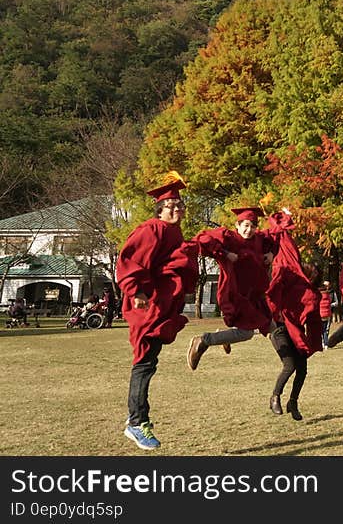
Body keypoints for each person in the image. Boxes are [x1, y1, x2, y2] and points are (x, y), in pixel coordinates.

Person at [116, 173, 198, 450]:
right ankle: (137, 422)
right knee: (144, 364)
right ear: (159, 209)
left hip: (161, 306)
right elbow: (129, 259)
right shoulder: (152, 229)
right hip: (147, 306)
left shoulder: (174, 232)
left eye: (179, 205)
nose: (176, 210)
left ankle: (137, 420)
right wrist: (135, 290)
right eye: (170, 206)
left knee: (148, 363)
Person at [187, 206, 274, 370]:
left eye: (253, 226)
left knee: (272, 326)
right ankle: (204, 340)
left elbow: (274, 238)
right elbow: (203, 238)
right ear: (238, 225)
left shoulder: (258, 240)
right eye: (246, 225)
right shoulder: (230, 238)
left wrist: (271, 253)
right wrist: (225, 253)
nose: (249, 230)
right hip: (235, 294)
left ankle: (291, 361)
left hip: (254, 295)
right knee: (246, 333)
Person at [264, 209, 324, 420]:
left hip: (295, 331)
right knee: (290, 365)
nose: (303, 266)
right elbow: (287, 253)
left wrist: (312, 341)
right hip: (279, 327)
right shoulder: (289, 276)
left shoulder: (310, 293)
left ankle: (293, 403)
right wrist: (282, 224)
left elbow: (314, 320)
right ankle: (275, 397)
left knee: (302, 369)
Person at [318, 281, 334, 349]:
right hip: (327, 315)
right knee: (325, 330)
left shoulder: (318, 296)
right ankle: (326, 344)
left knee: (321, 330)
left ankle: (322, 343)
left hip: (320, 315)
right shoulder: (328, 296)